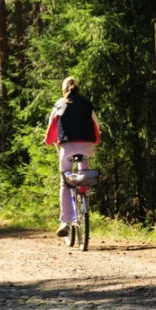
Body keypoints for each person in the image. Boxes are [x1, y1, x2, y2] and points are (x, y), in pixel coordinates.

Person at [44, 77, 101, 237]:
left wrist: (48, 141)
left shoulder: (59, 104)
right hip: (87, 147)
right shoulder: (87, 104)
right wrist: (95, 141)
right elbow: (96, 126)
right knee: (84, 172)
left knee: (65, 182)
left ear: (64, 90)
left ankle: (66, 222)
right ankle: (83, 195)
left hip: (67, 149)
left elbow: (51, 130)